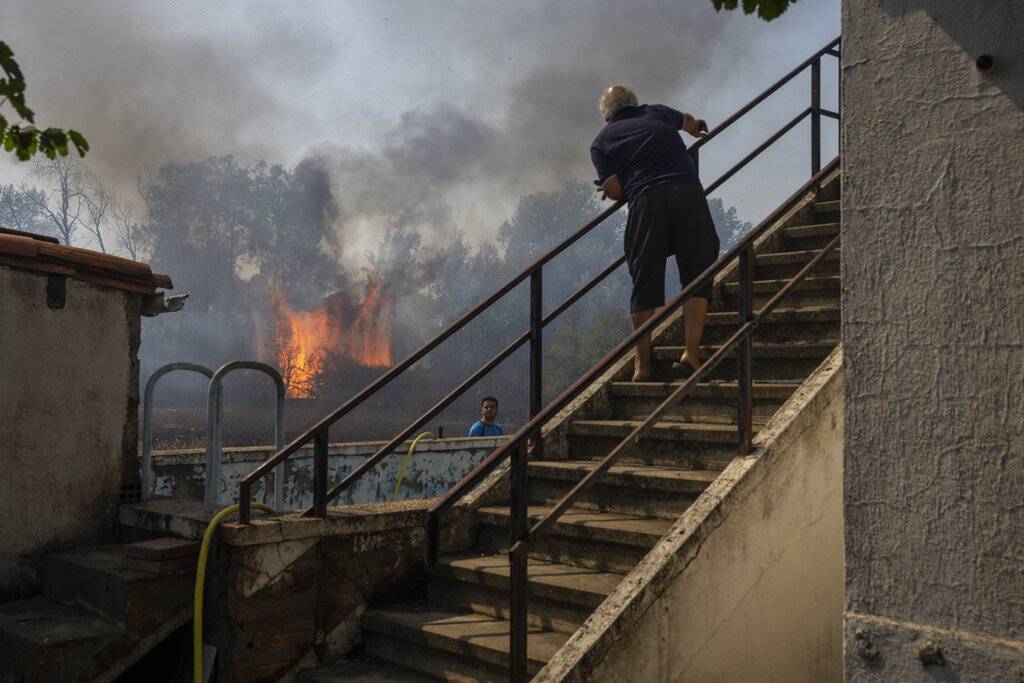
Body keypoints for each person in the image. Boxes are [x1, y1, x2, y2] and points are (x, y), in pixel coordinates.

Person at [590, 85, 720, 381]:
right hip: (686, 190)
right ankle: (691, 354)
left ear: (607, 115)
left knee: (645, 277)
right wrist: (696, 126)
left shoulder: (600, 142)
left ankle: (642, 367)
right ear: (634, 103)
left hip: (646, 200)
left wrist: (611, 184)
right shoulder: (658, 112)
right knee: (697, 270)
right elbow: (688, 122)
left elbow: (616, 190)